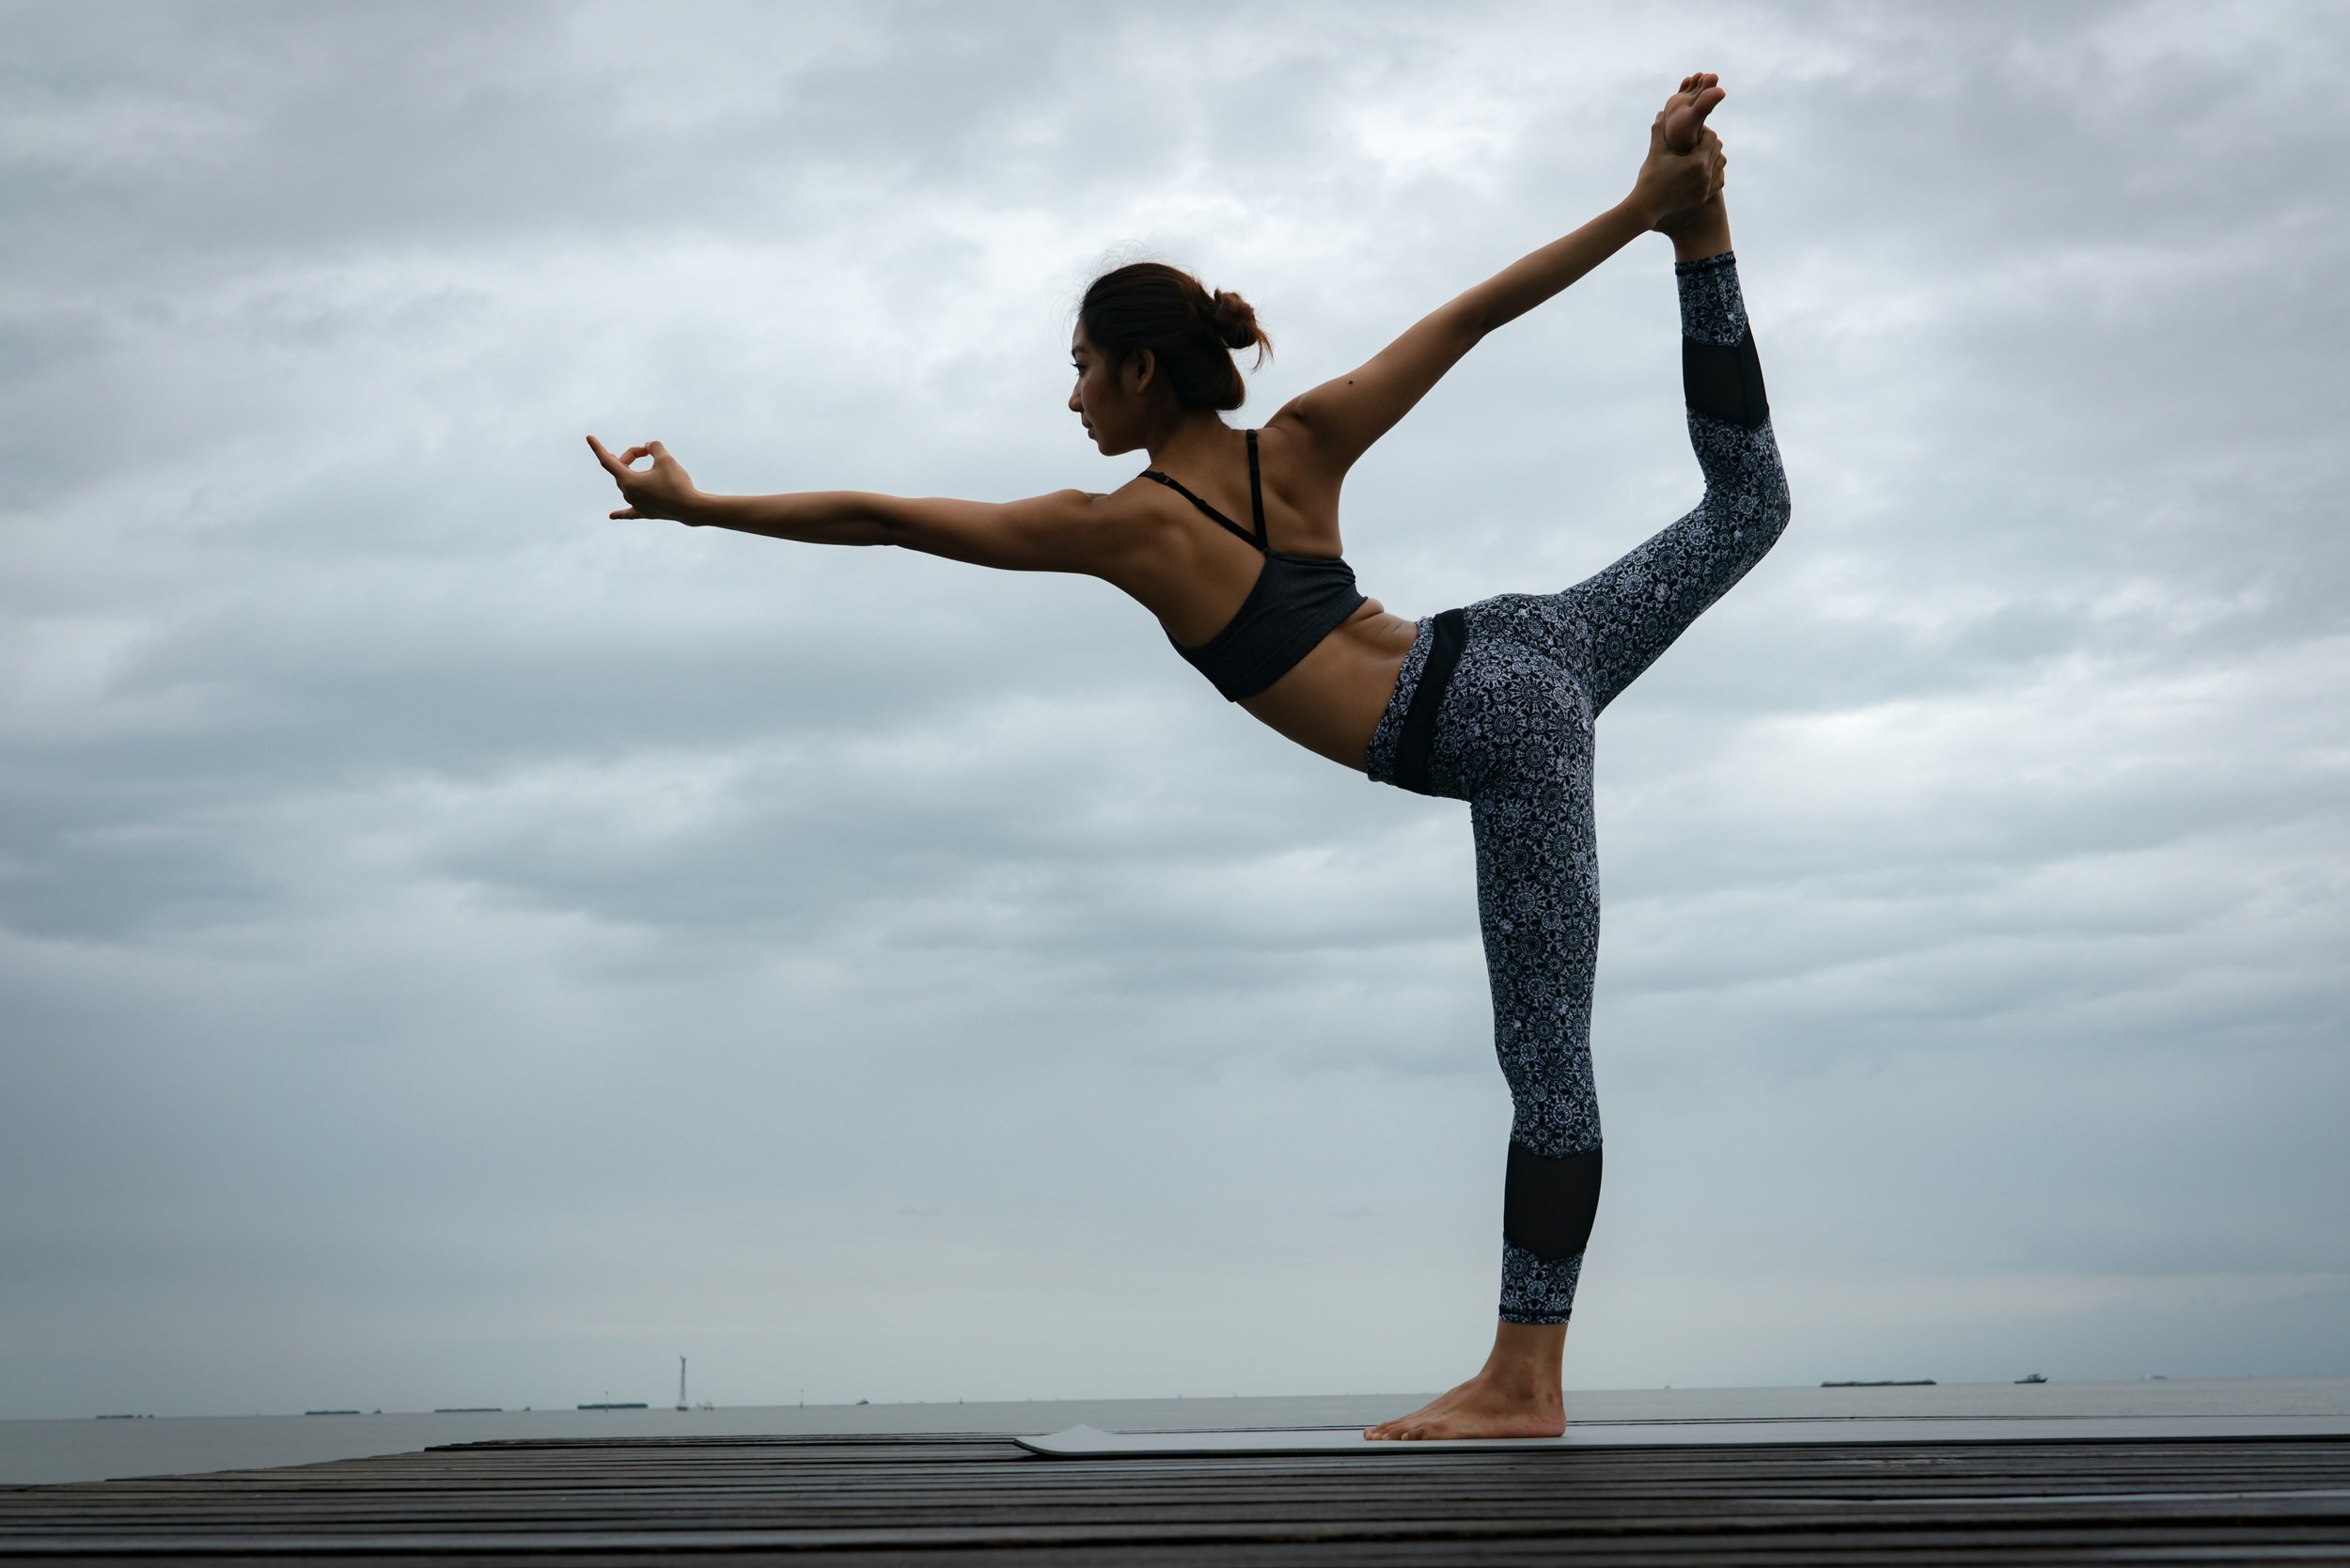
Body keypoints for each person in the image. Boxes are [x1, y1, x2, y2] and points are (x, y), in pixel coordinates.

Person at [588, 71, 1787, 1441]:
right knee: (1749, 507)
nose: (1074, 395)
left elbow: (888, 519)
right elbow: (1471, 314)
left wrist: (700, 513)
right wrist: (1645, 212)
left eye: (1084, 365)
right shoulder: (1305, 443)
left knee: (1547, 1059)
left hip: (1489, 724)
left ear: (1140, 368)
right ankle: (1707, 236)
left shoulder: (1126, 527)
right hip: (1535, 648)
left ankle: (1525, 1382)